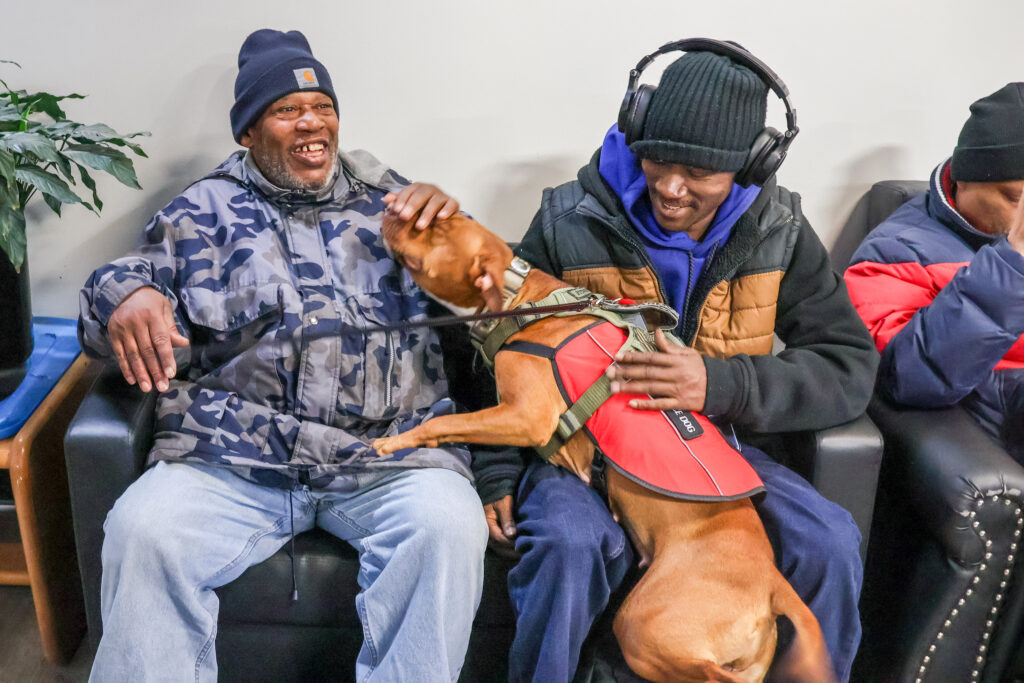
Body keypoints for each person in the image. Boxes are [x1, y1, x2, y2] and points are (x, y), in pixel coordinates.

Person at [78, 29, 488, 682]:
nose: (312, 122)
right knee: (143, 532)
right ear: (248, 132)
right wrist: (123, 294)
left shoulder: (397, 206)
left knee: (446, 527)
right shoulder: (198, 214)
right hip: (239, 458)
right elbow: (115, 295)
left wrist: (460, 237)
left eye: (322, 106)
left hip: (389, 455)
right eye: (287, 109)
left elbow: (487, 308)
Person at [471, 42, 879, 682]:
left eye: (699, 173)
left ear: (750, 164)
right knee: (568, 545)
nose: (669, 186)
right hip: (585, 448)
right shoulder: (568, 218)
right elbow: (498, 348)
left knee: (828, 542)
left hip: (720, 448)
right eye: (657, 159)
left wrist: (721, 383)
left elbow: (848, 366)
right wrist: (495, 471)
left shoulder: (780, 230)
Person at [845, 83, 1024, 459]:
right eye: (1014, 198)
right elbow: (906, 377)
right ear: (964, 178)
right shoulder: (895, 253)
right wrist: (1012, 265)